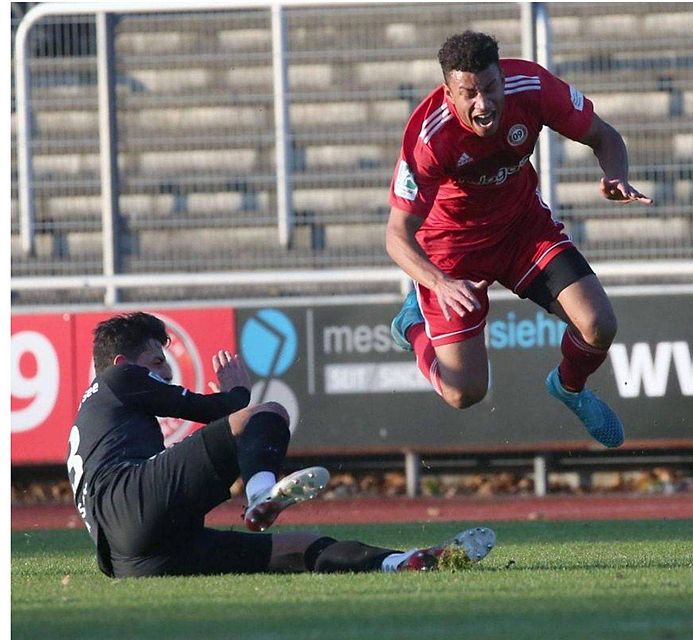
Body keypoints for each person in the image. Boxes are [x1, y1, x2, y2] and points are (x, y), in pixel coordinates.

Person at [67, 312, 496, 578]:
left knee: (296, 548)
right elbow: (213, 410)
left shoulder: (100, 413)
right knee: (267, 413)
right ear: (123, 364)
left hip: (130, 556)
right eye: (156, 362)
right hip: (129, 504)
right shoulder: (118, 379)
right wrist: (236, 394)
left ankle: (402, 562)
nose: (165, 373)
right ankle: (258, 497)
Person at [386, 31, 654, 448]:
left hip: (521, 231)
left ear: (502, 79)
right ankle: (413, 326)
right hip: (453, 257)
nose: (483, 103)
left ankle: (568, 387)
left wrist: (616, 174)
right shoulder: (428, 137)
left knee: (599, 325)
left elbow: (605, 136)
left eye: (491, 87)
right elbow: (396, 237)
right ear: (449, 93)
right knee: (464, 393)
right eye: (469, 94)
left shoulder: (532, 86)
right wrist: (439, 282)